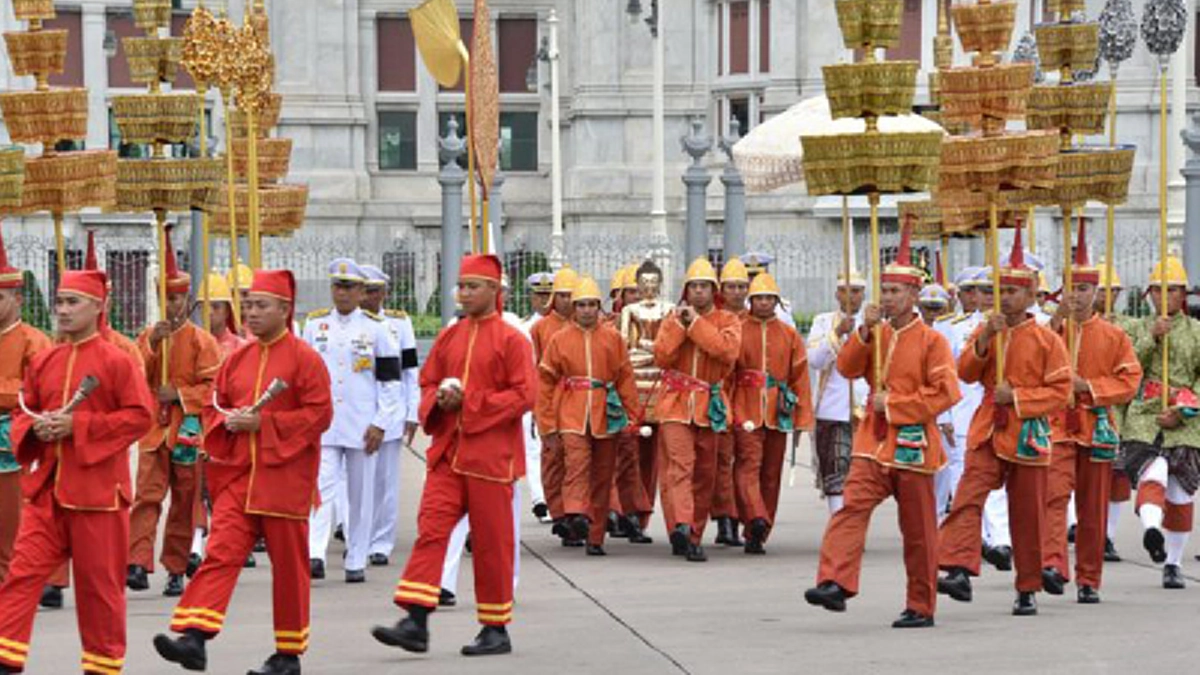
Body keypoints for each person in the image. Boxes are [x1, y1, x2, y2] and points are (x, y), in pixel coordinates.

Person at [153, 268, 334, 675]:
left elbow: (320, 414)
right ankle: (195, 637)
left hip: (284, 480)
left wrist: (265, 424)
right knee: (220, 553)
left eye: (260, 306)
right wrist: (229, 422)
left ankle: (288, 654)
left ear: (285, 309)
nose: (251, 313)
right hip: (239, 477)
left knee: (289, 570)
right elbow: (213, 406)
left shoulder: (306, 359)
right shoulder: (237, 359)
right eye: (248, 305)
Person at [371, 254, 535, 658]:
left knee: (492, 545)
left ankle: (495, 627)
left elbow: (524, 395)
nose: (463, 293)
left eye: (472, 286)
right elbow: (427, 382)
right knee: (431, 530)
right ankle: (416, 619)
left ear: (494, 290)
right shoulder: (449, 337)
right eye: (461, 286)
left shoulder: (512, 340)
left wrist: (471, 402)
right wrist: (439, 400)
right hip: (448, 454)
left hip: (491, 459)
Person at [804, 224, 960, 628]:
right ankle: (835, 582)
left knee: (919, 530)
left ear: (913, 295)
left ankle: (921, 605)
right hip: (872, 442)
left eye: (895, 291)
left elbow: (946, 393)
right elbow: (846, 367)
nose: (887, 298)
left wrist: (893, 404)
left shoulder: (932, 341)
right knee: (850, 507)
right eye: (884, 291)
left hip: (913, 444)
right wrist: (861, 332)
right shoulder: (876, 332)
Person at [0, 269, 154, 675]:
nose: (63, 310)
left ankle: (101, 667)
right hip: (47, 492)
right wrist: (35, 428)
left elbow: (140, 417)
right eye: (60, 301)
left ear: (98, 307)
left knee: (99, 591)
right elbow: (24, 410)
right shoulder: (46, 360)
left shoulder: (118, 361)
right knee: (21, 574)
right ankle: (6, 659)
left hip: (99, 496)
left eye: (73, 302)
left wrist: (79, 426)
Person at [937, 230, 1071, 617]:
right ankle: (959, 568)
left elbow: (1060, 391)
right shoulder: (986, 329)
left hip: (1028, 433)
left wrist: (1018, 397)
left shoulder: (1047, 340)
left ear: (1030, 295)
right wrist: (984, 340)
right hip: (987, 429)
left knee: (1027, 514)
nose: (1006, 298)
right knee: (967, 497)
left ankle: (1027, 587)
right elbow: (965, 372)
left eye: (1013, 291)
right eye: (1002, 291)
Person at [1041, 227, 1141, 604]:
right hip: (1057, 426)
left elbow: (1129, 381)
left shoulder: (1114, 336)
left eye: (1083, 289)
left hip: (1096, 428)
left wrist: (1090, 387)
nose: (1077, 295)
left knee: (1092, 508)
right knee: (1053, 497)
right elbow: (1031, 358)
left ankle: (1088, 578)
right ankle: (1053, 565)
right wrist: (1056, 321)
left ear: (1096, 292)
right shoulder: (1051, 331)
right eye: (1071, 288)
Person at [127, 230, 222, 599]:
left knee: (184, 501)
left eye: (177, 298)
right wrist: (152, 345)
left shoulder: (203, 341)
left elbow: (212, 389)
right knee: (146, 496)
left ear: (188, 300)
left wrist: (180, 395)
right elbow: (135, 375)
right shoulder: (148, 335)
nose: (171, 305)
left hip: (187, 431)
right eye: (165, 298)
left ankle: (176, 569)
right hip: (153, 429)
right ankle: (137, 562)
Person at [304, 259, 402, 583]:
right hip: (325, 423)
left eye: (348, 287)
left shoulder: (377, 329)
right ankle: (315, 553)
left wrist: (381, 423)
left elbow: (390, 382)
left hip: (362, 424)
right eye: (337, 286)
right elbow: (304, 376)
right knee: (321, 487)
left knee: (360, 495)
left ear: (361, 291)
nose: (342, 293)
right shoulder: (315, 325)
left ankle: (356, 557)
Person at [536, 276, 638, 555]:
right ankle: (576, 514)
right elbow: (545, 382)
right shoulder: (559, 339)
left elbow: (625, 378)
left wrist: (632, 416)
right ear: (574, 307)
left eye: (592, 304)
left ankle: (595, 536)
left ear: (598, 306)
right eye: (581, 305)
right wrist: (546, 423)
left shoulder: (613, 338)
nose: (587, 310)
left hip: (606, 413)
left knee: (604, 474)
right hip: (571, 411)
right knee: (577, 465)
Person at [653, 257, 741, 562]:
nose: (699, 291)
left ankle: (693, 535)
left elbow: (726, 351)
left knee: (705, 473)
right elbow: (662, 356)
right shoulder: (672, 318)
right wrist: (681, 325)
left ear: (713, 290)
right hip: (675, 403)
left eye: (704, 286)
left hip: (709, 404)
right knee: (681, 466)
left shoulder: (728, 320)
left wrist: (695, 324)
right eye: (694, 286)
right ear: (686, 290)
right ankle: (681, 523)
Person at [1120, 256, 1200, 588]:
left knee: (1180, 492)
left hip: (1186, 416)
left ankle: (1173, 562)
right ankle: (1152, 529)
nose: (1164, 296)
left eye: (1171, 290)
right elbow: (1126, 367)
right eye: (1157, 290)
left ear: (1183, 294)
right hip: (1146, 413)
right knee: (1151, 472)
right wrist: (1151, 338)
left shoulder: (1196, 332)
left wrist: (1183, 409)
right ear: (1149, 294)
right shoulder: (1136, 328)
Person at [732, 272, 814, 554]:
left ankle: (759, 532)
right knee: (748, 465)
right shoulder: (738, 328)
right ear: (751, 301)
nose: (764, 303)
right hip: (745, 407)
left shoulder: (789, 335)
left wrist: (802, 417)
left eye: (769, 298)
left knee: (771, 473)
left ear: (777, 302)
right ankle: (755, 516)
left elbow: (800, 377)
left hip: (778, 410)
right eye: (759, 298)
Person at [0, 229, 53, 584]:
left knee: (12, 523)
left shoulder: (36, 341)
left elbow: (36, 393)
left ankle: (13, 587)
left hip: (13, 443)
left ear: (18, 298)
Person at [359, 264, 420, 568]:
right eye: (363, 290)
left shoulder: (398, 322)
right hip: (355, 413)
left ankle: (381, 542)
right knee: (353, 482)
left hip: (391, 412)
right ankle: (357, 536)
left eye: (373, 291)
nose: (367, 297)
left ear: (384, 292)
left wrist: (412, 411)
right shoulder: (346, 324)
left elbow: (409, 370)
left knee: (385, 482)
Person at [616, 260, 674, 537]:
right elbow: (625, 346)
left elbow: (671, 347)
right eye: (644, 283)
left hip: (661, 378)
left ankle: (643, 514)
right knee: (630, 453)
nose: (649, 287)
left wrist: (657, 351)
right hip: (637, 376)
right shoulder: (629, 311)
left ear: (660, 284)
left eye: (653, 282)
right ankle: (628, 511)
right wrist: (649, 349)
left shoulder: (669, 309)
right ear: (637, 285)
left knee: (658, 459)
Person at [806, 270, 869, 514]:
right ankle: (839, 522)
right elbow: (814, 360)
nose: (850, 297)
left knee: (863, 475)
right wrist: (837, 333)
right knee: (835, 472)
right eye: (845, 291)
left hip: (866, 408)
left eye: (856, 291)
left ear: (863, 294)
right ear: (836, 294)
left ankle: (855, 522)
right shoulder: (823, 322)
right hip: (833, 408)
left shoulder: (876, 323)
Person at [531, 266, 579, 544]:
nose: (567, 301)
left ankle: (574, 515)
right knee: (552, 460)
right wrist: (537, 409)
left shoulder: (587, 326)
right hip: (550, 399)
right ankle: (559, 513)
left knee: (577, 461)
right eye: (562, 295)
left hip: (578, 401)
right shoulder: (540, 328)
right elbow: (536, 370)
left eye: (571, 295)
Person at [713, 257, 750, 547]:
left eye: (741, 286)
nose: (737, 292)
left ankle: (749, 518)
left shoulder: (758, 318)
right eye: (731, 287)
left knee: (747, 462)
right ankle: (725, 520)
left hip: (750, 399)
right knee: (722, 461)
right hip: (720, 396)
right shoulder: (713, 319)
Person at [521, 271, 554, 521]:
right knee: (533, 447)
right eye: (539, 294)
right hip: (533, 391)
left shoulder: (564, 324)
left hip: (558, 392)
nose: (544, 300)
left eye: (548, 294)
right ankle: (540, 499)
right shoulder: (523, 328)